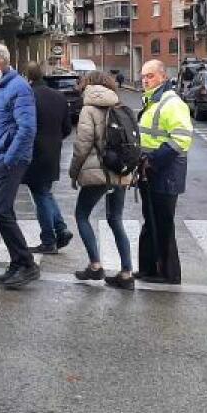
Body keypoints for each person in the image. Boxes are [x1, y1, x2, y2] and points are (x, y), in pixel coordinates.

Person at [68, 71, 135, 289]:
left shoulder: (89, 108)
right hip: (121, 171)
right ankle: (126, 273)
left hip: (99, 173)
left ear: (88, 85)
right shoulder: (119, 105)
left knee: (81, 215)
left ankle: (95, 266)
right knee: (116, 219)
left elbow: (82, 145)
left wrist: (74, 172)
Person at [0, 43, 40, 289]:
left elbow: (27, 128)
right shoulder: (1, 86)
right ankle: (17, 263)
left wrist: (8, 158)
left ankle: (26, 264)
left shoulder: (18, 87)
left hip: (9, 161)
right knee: (5, 212)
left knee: (0, 213)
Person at [136, 59, 193, 285]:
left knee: (163, 223)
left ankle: (168, 273)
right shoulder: (152, 101)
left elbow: (181, 140)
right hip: (152, 171)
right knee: (151, 221)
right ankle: (149, 269)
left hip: (165, 172)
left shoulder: (171, 103)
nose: (145, 80)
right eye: (143, 76)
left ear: (162, 76)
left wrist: (152, 161)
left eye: (149, 76)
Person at [20, 61, 73, 254]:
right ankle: (61, 229)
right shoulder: (59, 96)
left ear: (27, 77)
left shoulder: (27, 97)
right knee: (45, 192)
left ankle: (49, 239)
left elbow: (22, 127)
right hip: (53, 152)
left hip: (33, 152)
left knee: (40, 195)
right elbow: (67, 128)